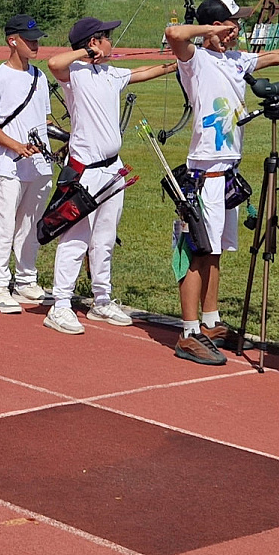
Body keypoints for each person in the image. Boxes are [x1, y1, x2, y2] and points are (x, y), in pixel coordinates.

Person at [162, 0, 279, 365]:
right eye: (231, 24)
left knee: (214, 252)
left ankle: (210, 321)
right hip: (203, 174)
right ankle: (188, 332)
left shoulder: (236, 60)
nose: (236, 32)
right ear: (215, 26)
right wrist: (211, 30)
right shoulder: (195, 61)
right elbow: (174, 34)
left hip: (226, 172)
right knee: (196, 252)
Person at [42, 16, 177, 334]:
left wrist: (179, 62)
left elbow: (146, 71)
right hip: (85, 172)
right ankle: (60, 304)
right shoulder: (74, 74)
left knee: (103, 240)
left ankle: (101, 301)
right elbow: (54, 62)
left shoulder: (109, 73)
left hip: (112, 170)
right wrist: (83, 55)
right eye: (106, 38)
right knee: (76, 239)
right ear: (93, 42)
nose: (110, 42)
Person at [0, 14, 54, 314]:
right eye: (29, 40)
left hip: (38, 166)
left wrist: (59, 142)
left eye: (36, 40)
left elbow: (45, 120)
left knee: (30, 224)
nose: (35, 45)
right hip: (7, 165)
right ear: (12, 40)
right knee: (2, 225)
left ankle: (25, 279)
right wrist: (18, 146)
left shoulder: (39, 77)